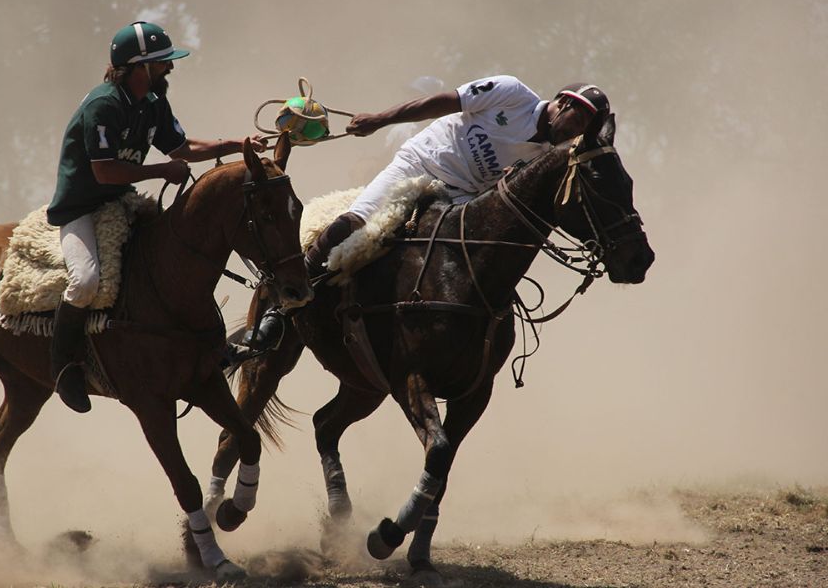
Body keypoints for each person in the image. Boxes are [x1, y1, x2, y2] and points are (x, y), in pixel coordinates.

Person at [241, 76, 609, 352]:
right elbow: (443, 102)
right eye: (577, 121)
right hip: (421, 163)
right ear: (563, 102)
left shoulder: (551, 153)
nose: (576, 132)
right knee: (355, 222)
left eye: (584, 130)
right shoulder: (511, 92)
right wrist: (380, 120)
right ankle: (281, 309)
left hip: (461, 196)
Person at [47, 21, 268, 413]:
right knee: (84, 281)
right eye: (163, 61)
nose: (170, 68)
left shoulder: (152, 102)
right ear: (139, 67)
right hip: (80, 209)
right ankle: (65, 366)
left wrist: (238, 143)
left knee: (172, 260)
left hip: (119, 203)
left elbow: (181, 147)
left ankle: (206, 346)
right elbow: (104, 171)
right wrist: (161, 172)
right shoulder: (104, 105)